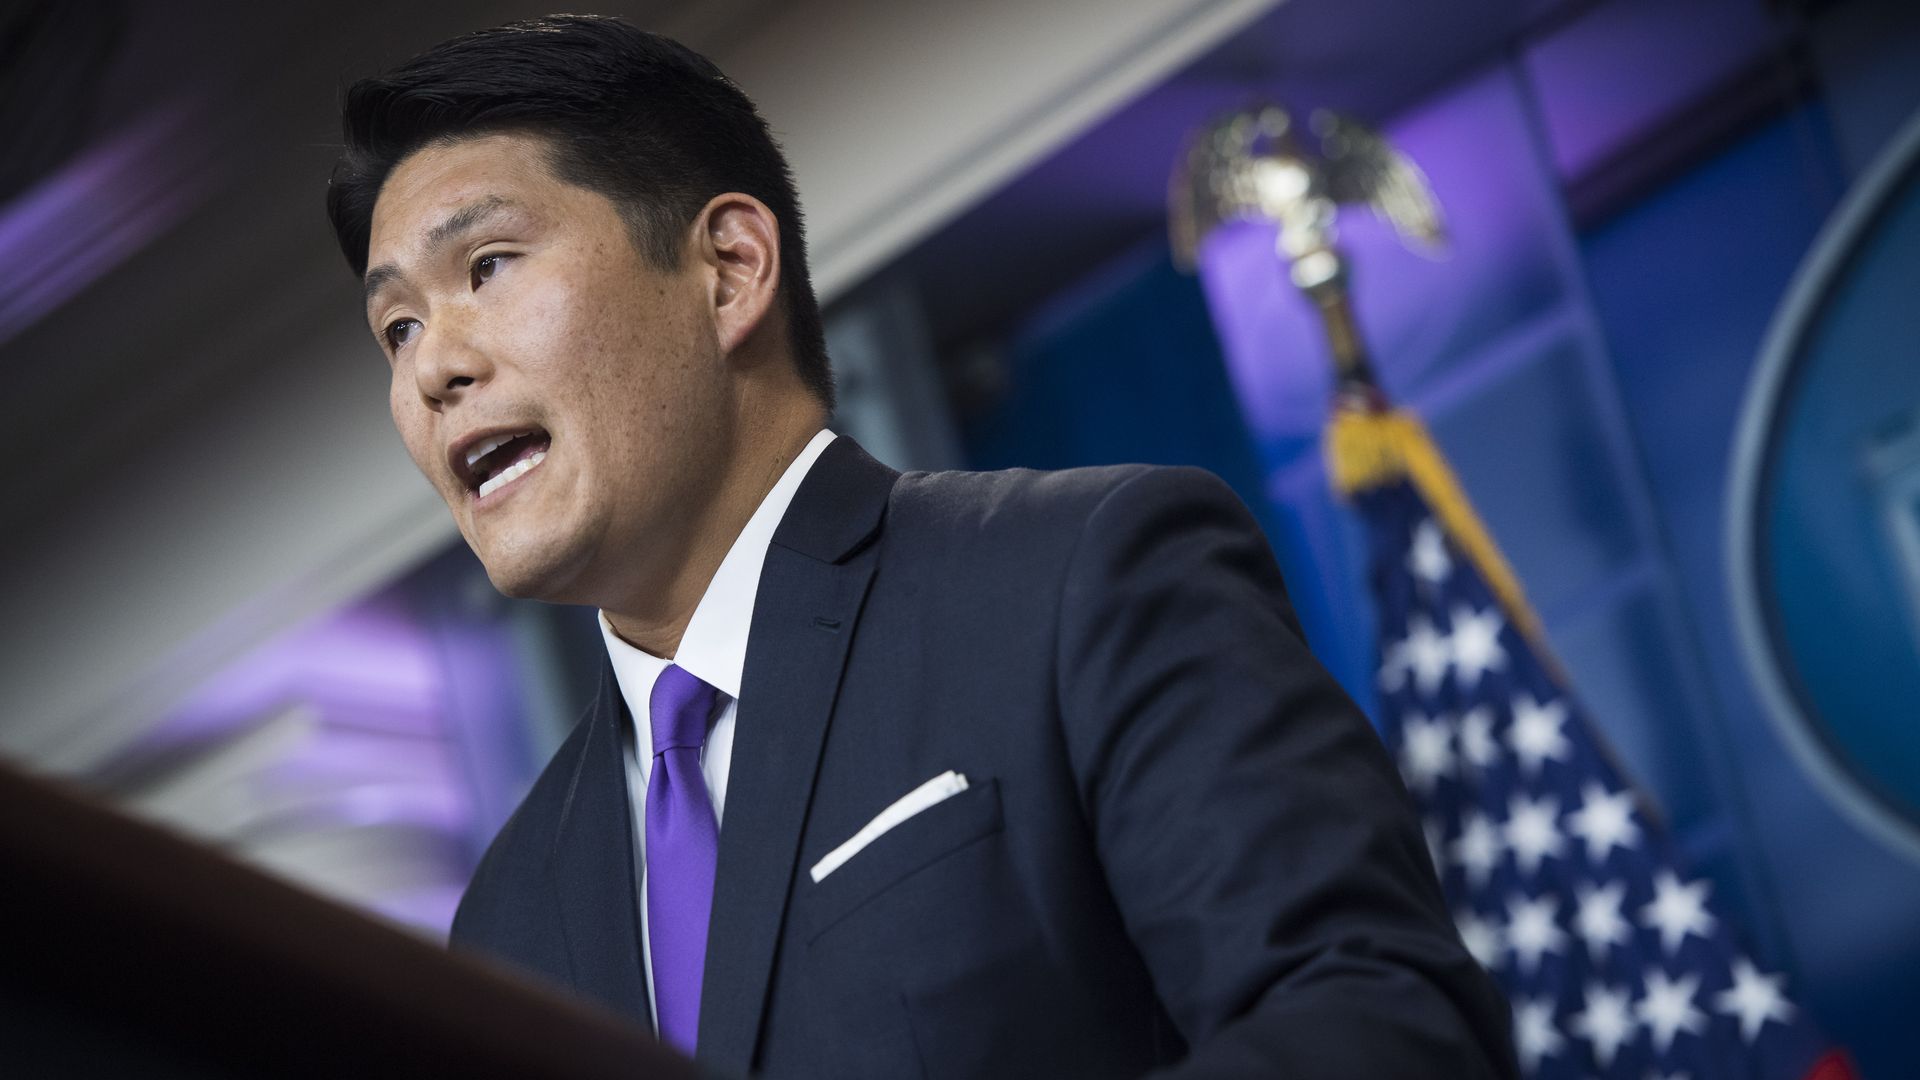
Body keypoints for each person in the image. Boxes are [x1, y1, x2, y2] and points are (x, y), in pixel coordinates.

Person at [326, 15, 1515, 1079]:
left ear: (729, 269)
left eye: (486, 267)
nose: (433, 367)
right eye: (397, 327)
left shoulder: (1077, 576)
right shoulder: (509, 914)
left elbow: (1376, 1023)